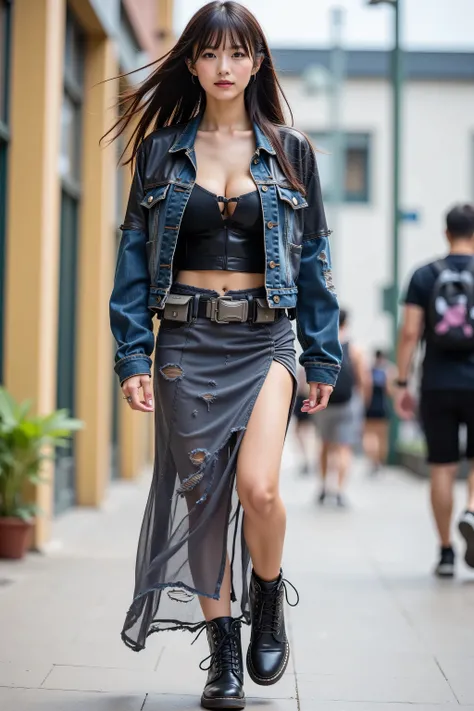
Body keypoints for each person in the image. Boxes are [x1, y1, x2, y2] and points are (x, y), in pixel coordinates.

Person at [107, 2, 342, 708]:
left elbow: (317, 259)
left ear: (257, 62)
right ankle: (223, 657)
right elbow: (131, 258)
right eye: (210, 54)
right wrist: (132, 355)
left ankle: (266, 595)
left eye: (238, 54)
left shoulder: (291, 151)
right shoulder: (160, 152)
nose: (224, 67)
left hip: (266, 338)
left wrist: (323, 356)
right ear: (191, 62)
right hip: (186, 340)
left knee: (259, 487)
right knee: (203, 503)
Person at [395, 203, 474, 578]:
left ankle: (445, 552)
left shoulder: (424, 275)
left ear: (446, 233)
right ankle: (472, 511)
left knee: (441, 468)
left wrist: (400, 382)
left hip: (438, 382)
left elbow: (410, 333)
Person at [314, 309, 367, 507]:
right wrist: (363, 400)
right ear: (347, 323)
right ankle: (339, 491)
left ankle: (323, 487)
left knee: (325, 445)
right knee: (344, 448)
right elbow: (362, 378)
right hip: (347, 402)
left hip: (324, 402)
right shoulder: (355, 347)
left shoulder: (323, 343)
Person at [363, 349, 394, 475]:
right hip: (382, 407)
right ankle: (379, 461)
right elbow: (390, 391)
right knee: (382, 437)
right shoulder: (388, 371)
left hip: (370, 407)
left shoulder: (369, 371)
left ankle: (373, 461)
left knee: (369, 435)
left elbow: (366, 390)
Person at [291, 365, 315, 475]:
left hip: (304, 400)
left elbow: (301, 386)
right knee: (303, 433)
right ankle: (308, 459)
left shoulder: (304, 368)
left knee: (303, 433)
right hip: (308, 400)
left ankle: (308, 460)